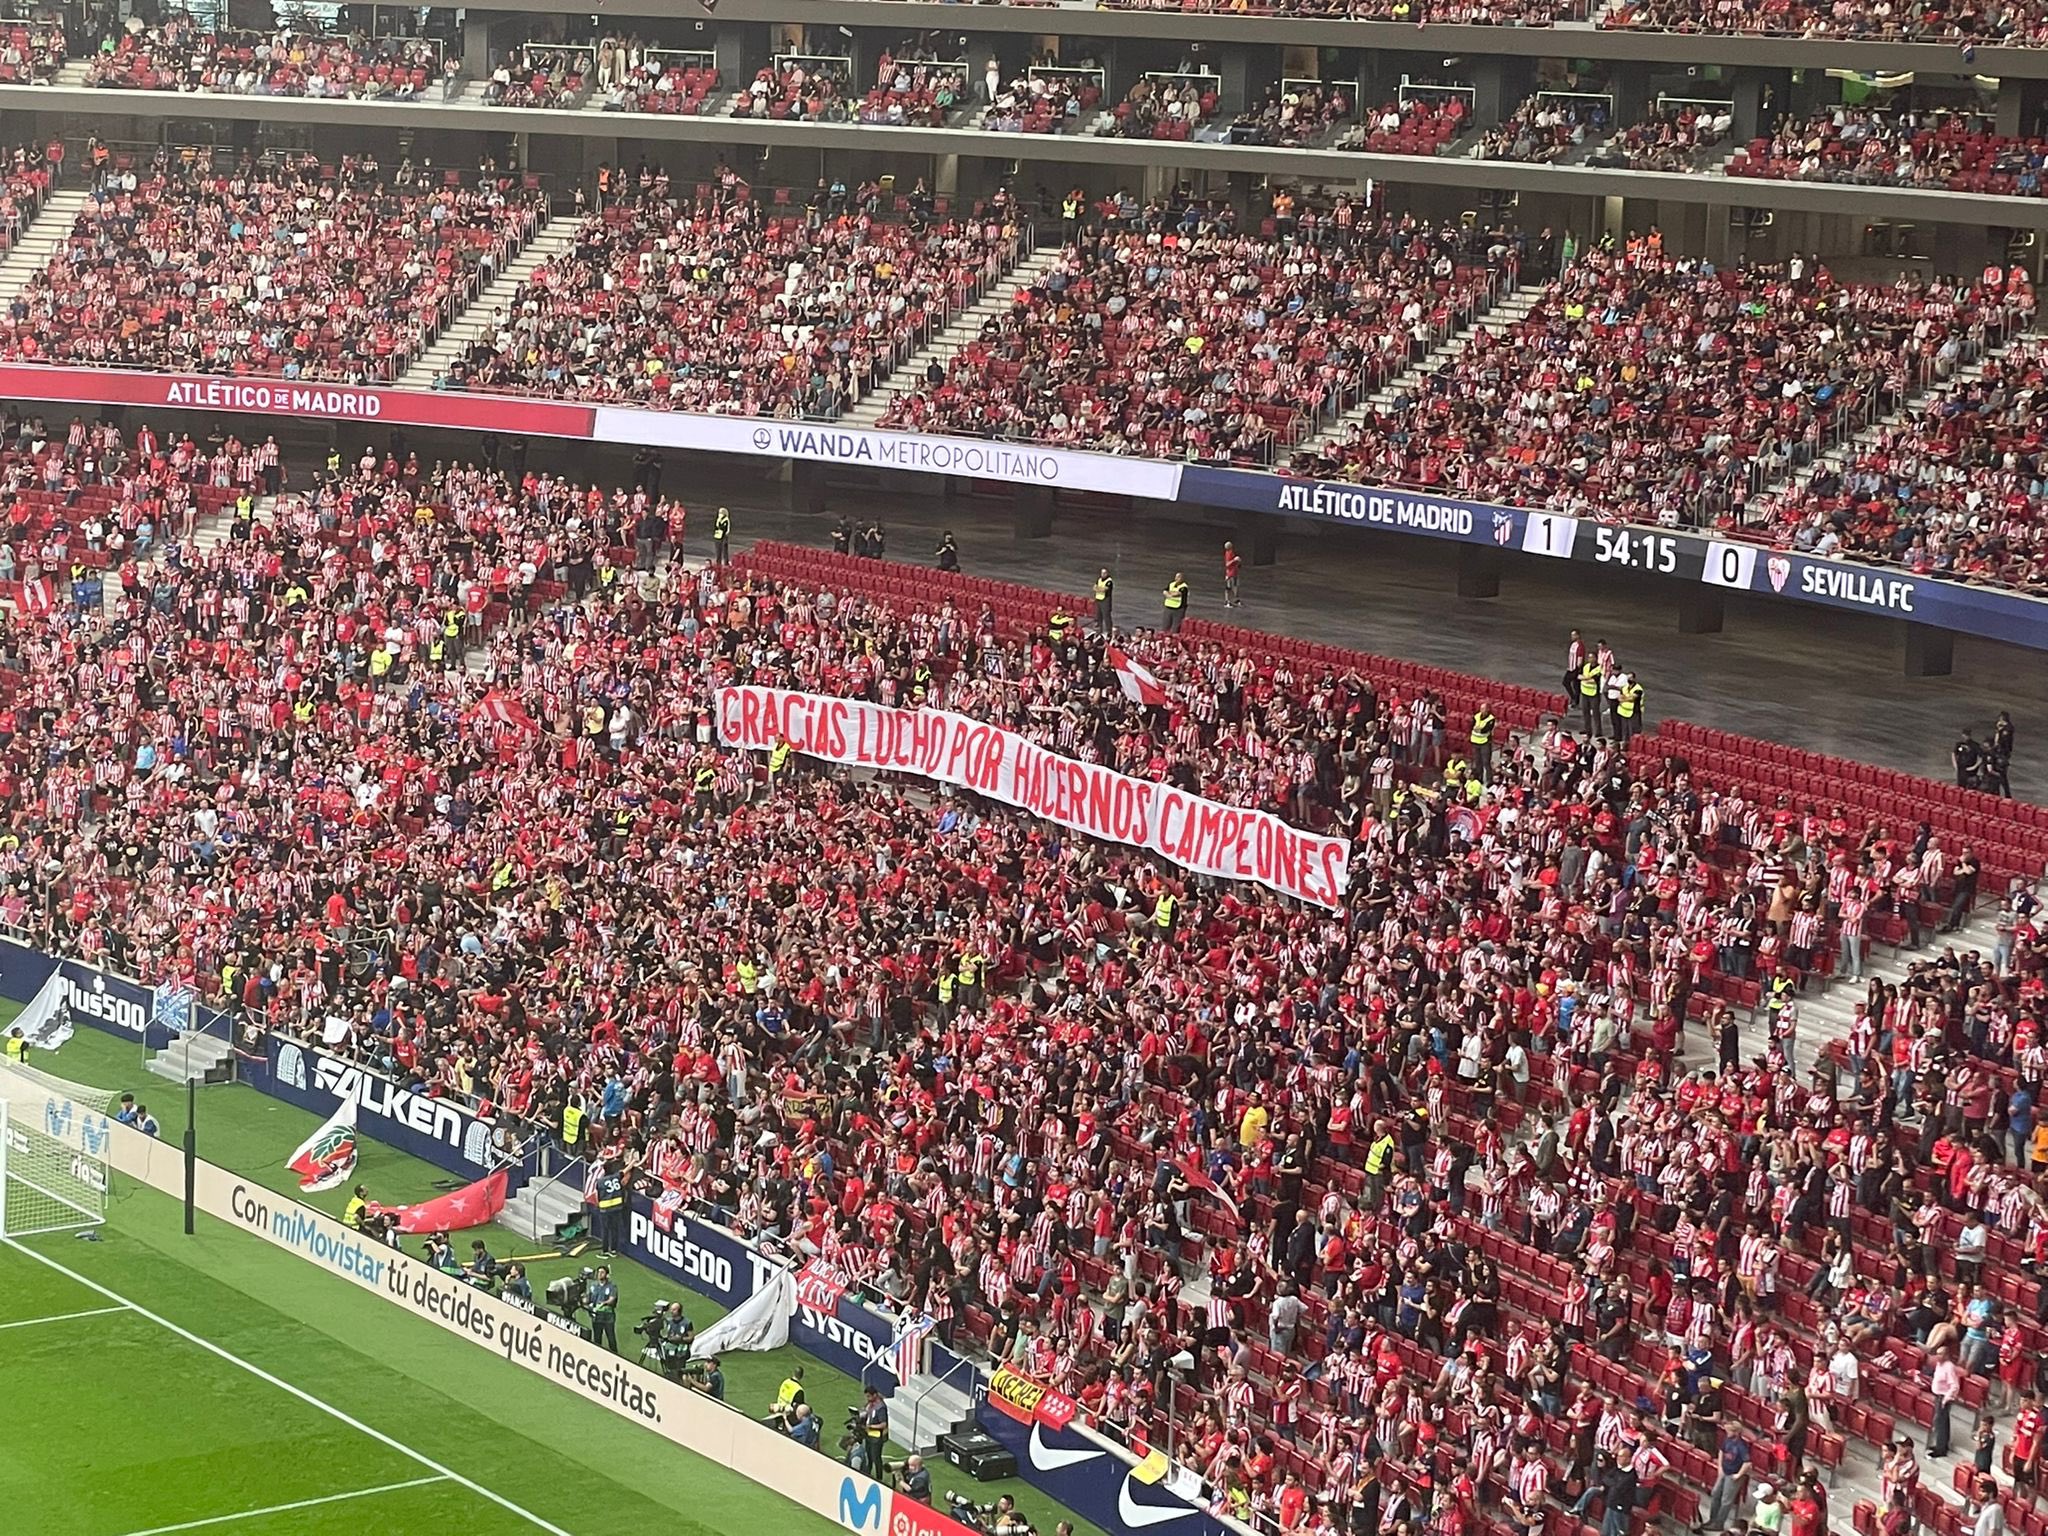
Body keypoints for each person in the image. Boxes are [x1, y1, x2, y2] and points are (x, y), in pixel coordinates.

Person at [593, 1158, 627, 1255]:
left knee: (605, 1230)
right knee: (615, 1229)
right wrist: (632, 1162)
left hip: (605, 1209)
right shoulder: (616, 1177)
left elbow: (597, 1195)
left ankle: (604, 1251)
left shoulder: (600, 1181)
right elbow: (624, 1171)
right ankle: (613, 1250)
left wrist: (598, 1204)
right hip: (616, 1207)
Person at [587, 1264, 620, 1354]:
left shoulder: (612, 1286)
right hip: (596, 1316)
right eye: (599, 1272)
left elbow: (612, 1299)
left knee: (611, 1337)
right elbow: (588, 1298)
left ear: (607, 1275)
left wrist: (604, 1303)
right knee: (597, 1337)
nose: (600, 1274)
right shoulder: (593, 1286)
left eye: (602, 1272)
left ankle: (615, 1355)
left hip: (608, 1316)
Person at [857, 1386, 889, 1476]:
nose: (867, 1398)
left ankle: (879, 1477)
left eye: (869, 1396)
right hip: (868, 1434)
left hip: (876, 1437)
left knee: (876, 1458)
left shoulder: (881, 1407)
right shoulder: (870, 1404)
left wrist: (870, 1426)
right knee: (869, 1457)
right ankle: (868, 1474)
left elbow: (883, 1424)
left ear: (875, 1395)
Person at [1469, 704, 1497, 782]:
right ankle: (1479, 778)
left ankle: (1489, 780)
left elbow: (1485, 729)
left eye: (1483, 708)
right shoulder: (1476, 716)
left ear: (1488, 709)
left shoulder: (1491, 719)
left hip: (1485, 742)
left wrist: (1477, 728)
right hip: (1475, 741)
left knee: (1486, 762)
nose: (1481, 710)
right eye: (1481, 708)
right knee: (1477, 762)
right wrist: (1478, 728)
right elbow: (1471, 726)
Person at [1093, 567, 1114, 633]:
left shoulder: (1109, 581)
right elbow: (1094, 588)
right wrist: (1100, 589)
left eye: (1104, 573)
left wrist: (1098, 589)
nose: (1103, 574)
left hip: (1105, 600)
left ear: (1107, 573)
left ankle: (1109, 631)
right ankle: (1099, 631)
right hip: (1098, 599)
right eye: (1102, 573)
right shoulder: (1099, 579)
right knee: (1098, 616)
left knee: (1106, 617)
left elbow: (1105, 589)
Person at [1222, 541, 1242, 608]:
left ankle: (1236, 599)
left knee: (1235, 586)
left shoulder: (1231, 553)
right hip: (1230, 573)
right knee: (1229, 587)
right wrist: (1234, 560)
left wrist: (1238, 562)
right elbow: (1227, 564)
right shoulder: (1228, 554)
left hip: (1234, 572)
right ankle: (1227, 601)